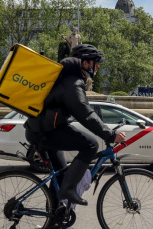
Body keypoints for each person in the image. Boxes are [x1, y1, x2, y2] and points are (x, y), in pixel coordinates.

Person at [25, 44, 126, 210]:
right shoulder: (72, 83)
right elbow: (85, 113)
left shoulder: (67, 78)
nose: (98, 66)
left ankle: (54, 218)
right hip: (45, 132)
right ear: (85, 63)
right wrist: (109, 135)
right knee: (91, 144)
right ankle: (69, 189)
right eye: (96, 62)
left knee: (61, 173)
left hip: (41, 129)